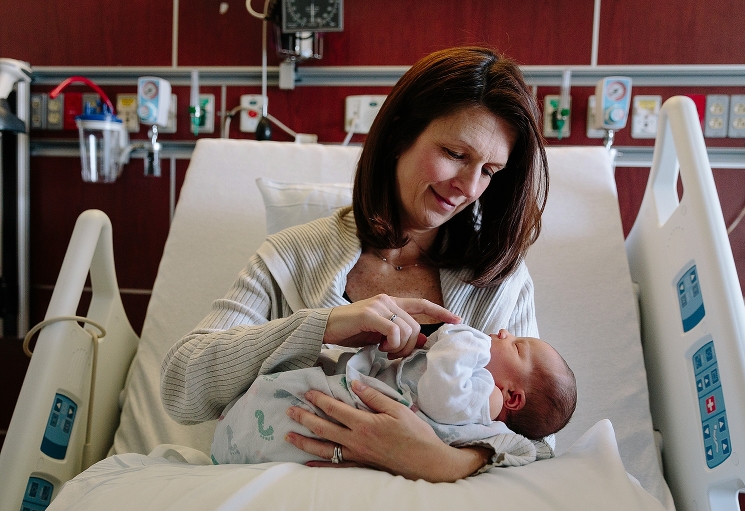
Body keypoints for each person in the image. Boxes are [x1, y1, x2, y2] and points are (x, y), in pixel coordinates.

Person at [160, 45, 549, 482]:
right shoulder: (291, 256)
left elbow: (539, 437)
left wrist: (445, 462)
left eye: (490, 171)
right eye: (456, 154)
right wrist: (320, 326)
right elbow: (181, 388)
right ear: (401, 134)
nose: (468, 186)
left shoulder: (499, 279)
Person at [209, 324, 576, 465]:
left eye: (518, 345)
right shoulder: (484, 388)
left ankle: (239, 443)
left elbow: (440, 392)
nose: (503, 331)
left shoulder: (486, 398)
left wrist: (465, 339)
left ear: (512, 398)